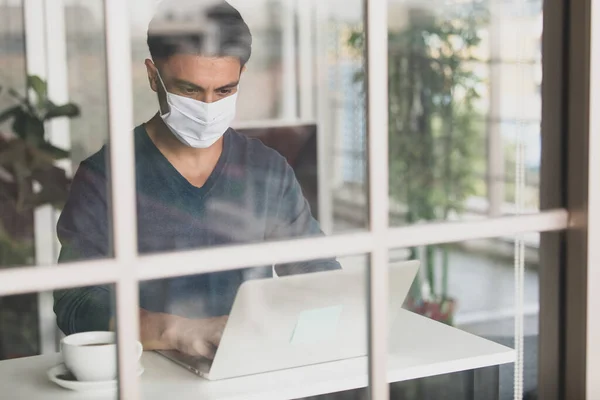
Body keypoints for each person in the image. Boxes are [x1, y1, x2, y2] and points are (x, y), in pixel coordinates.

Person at [54, 0, 339, 361]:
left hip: (247, 368)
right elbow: (75, 302)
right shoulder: (107, 175)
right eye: (189, 90)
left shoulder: (267, 170)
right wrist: (177, 331)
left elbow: (318, 274)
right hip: (148, 376)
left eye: (224, 90)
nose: (207, 107)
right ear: (153, 75)